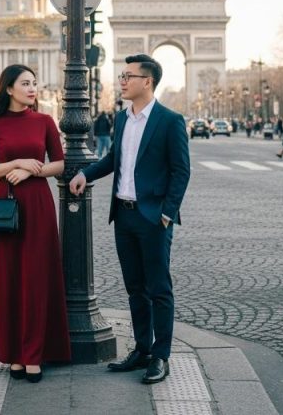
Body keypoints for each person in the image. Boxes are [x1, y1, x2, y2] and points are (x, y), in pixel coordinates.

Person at [69, 54, 191, 386]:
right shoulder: (122, 119)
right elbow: (113, 159)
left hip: (153, 218)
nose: (122, 81)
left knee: (159, 289)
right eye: (122, 76)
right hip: (123, 217)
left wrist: (166, 214)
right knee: (135, 288)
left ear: (147, 81)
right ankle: (142, 349)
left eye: (128, 76)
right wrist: (85, 174)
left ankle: (161, 356)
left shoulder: (170, 121)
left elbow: (181, 171)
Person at [0, 64, 69, 383]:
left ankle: (33, 354)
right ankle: (13, 353)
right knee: (9, 277)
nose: (32, 89)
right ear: (9, 89)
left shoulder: (45, 121)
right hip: (6, 205)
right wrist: (15, 163)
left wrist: (31, 170)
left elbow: (59, 164)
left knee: (36, 276)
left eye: (34, 83)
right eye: (25, 83)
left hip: (38, 203)